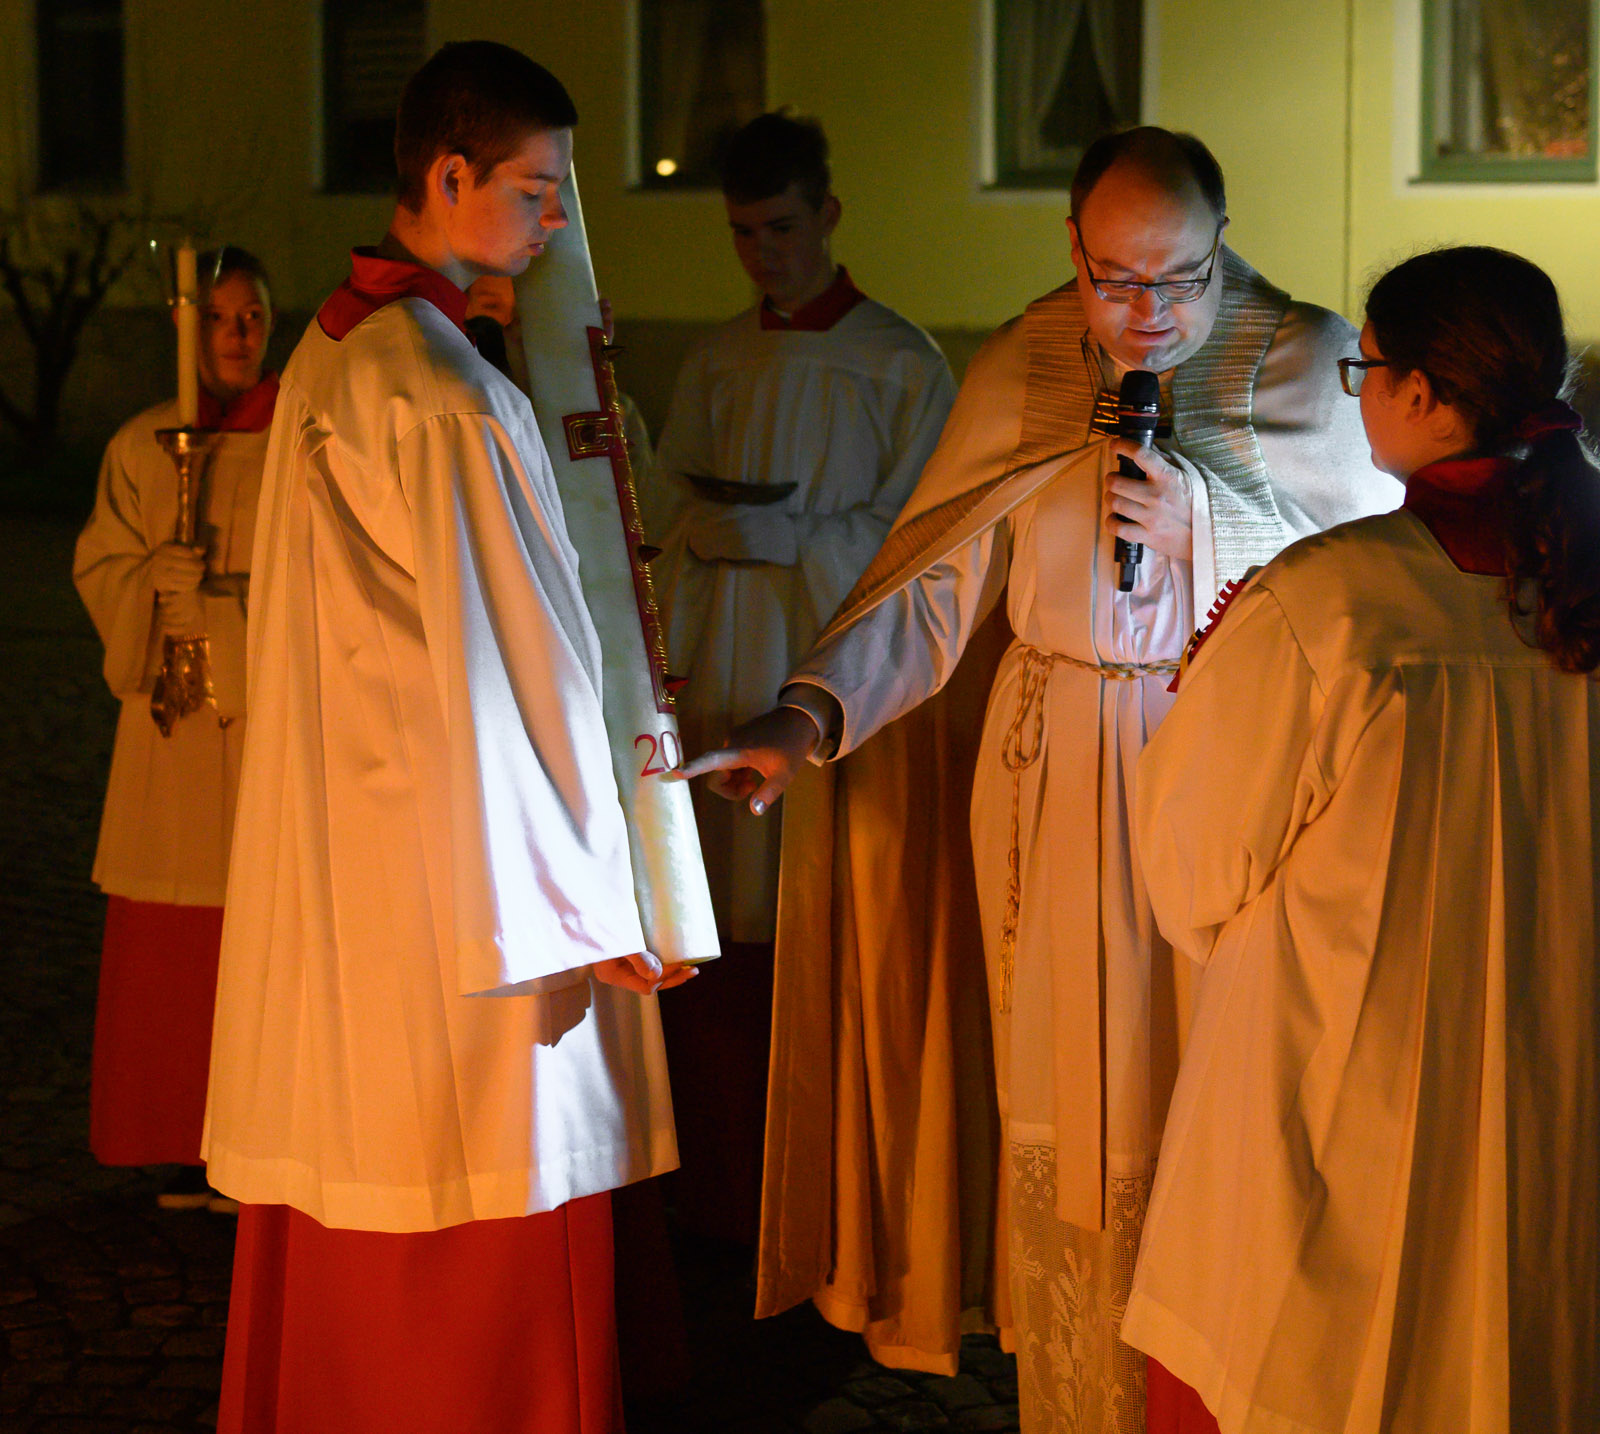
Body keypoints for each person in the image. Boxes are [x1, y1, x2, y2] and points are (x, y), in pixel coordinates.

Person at [676, 127, 1400, 1428]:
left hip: (1232, 776)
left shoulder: (1302, 356)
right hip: (1056, 772)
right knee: (1075, 1110)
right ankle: (1081, 1391)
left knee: (1219, 1103)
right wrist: (804, 716)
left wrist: (1209, 524)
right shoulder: (1024, 361)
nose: (1145, 316)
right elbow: (934, 582)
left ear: (1220, 245)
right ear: (1072, 249)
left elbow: (1372, 588)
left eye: (1178, 281)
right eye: (1115, 280)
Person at [203, 43, 692, 1434]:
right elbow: (521, 675)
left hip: (353, 851)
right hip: (469, 886)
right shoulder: (452, 398)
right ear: (449, 173)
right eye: (538, 191)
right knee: (475, 1164)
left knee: (362, 1144)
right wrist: (610, 896)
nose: (554, 222)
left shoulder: (337, 350)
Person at [1125, 245, 1600, 1434]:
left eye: (1367, 370)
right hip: (1554, 1072)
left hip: (1338, 1080)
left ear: (1427, 393)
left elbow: (1189, 874)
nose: (1362, 391)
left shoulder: (1325, 602)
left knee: (1325, 1359)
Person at [647, 111, 956, 1244]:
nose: (762, 252)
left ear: (826, 215)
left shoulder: (898, 361)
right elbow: (673, 505)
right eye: (741, 232)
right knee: (717, 934)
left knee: (814, 929)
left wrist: (796, 545)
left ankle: (823, 1198)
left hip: (825, 683)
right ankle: (716, 1183)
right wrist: (707, 538)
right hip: (718, 657)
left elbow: (921, 541)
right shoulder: (720, 357)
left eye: (780, 226)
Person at [74, 246, 278, 1210]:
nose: (239, 337)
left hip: (255, 728)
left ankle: (255, 1136)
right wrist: (148, 592)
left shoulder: (298, 441)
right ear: (187, 328)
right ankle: (168, 1130)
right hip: (166, 736)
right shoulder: (140, 444)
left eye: (254, 318)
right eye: (222, 319)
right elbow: (100, 564)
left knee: (257, 931)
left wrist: (225, 615)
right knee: (169, 938)